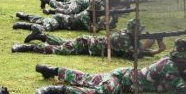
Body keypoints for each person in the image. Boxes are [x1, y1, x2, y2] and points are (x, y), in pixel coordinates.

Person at [34, 38, 186, 94]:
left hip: (125, 74)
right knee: (101, 91)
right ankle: (57, 90)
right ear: (182, 56)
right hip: (124, 80)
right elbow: (182, 91)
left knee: (88, 78)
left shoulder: (174, 64)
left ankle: (53, 70)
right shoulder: (169, 66)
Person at [12, 19, 166, 59]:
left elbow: (139, 48)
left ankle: (42, 36)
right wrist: (157, 49)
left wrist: (156, 42)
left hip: (87, 41)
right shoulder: (124, 40)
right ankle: (28, 47)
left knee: (63, 43)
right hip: (87, 45)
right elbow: (136, 54)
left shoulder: (128, 37)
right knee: (61, 50)